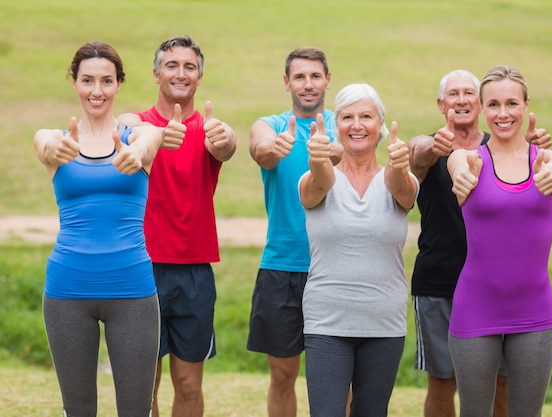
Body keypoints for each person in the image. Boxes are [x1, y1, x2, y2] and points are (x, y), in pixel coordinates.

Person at [408, 69, 552, 417]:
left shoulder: (501, 146)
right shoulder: (435, 146)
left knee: (503, 384)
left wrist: (537, 149)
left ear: (481, 104)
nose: (461, 100)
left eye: (468, 93)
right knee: (442, 382)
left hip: (501, 289)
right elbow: (417, 156)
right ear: (442, 104)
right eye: (452, 95)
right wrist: (437, 150)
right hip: (440, 282)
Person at [33, 41, 163, 417]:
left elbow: (149, 141)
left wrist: (135, 154)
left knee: (137, 410)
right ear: (74, 82)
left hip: (134, 292)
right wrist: (52, 151)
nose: (97, 90)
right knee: (77, 410)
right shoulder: (55, 138)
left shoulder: (139, 138)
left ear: (119, 84)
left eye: (106, 81)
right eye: (87, 80)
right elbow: (44, 145)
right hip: (67, 292)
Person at [119, 35, 237, 417]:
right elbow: (123, 127)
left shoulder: (210, 129)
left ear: (199, 77)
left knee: (188, 386)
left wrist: (224, 138)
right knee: (142, 388)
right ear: (156, 74)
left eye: (189, 67)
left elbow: (227, 146)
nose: (180, 73)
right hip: (141, 269)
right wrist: (145, 136)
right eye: (172, 65)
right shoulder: (137, 124)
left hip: (194, 273)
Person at [446, 64, 552, 417]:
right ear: (483, 109)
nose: (503, 113)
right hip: (475, 309)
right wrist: (459, 177)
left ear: (527, 105)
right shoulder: (469, 160)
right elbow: (456, 165)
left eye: (512, 103)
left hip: (534, 314)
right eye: (494, 104)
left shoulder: (547, 160)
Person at [299, 83, 419, 417]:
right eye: (347, 117)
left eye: (366, 116)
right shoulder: (313, 181)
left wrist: (398, 164)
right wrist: (318, 159)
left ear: (380, 124)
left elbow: (400, 188)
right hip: (327, 323)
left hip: (383, 324)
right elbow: (321, 182)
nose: (356, 124)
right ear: (336, 124)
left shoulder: (400, 181)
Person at [247, 47, 342, 417]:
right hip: (282, 266)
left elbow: (366, 141)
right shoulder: (269, 124)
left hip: (335, 267)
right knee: (282, 375)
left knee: (339, 377)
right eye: (299, 77)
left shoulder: (344, 122)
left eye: (315, 76)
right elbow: (260, 150)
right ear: (287, 82)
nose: (308, 84)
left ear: (327, 80)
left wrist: (335, 150)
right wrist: (275, 147)